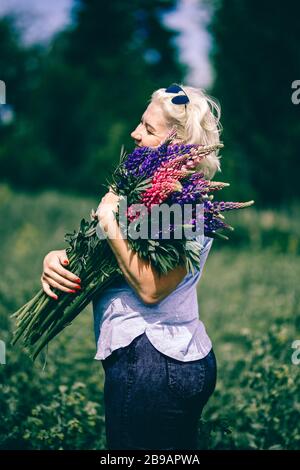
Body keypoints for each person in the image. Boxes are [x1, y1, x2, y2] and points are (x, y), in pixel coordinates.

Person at [41, 84, 222, 450]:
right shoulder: (142, 195)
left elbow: (151, 288)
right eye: (141, 123)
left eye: (149, 130)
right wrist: (56, 260)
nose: (134, 134)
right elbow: (113, 260)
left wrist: (109, 222)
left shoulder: (189, 210)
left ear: (179, 148)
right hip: (157, 362)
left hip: (153, 362)